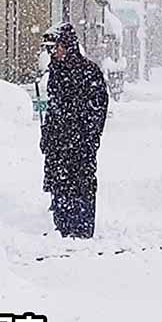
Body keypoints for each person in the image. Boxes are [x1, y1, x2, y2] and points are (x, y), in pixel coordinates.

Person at [39, 23, 109, 239]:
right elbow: (53, 108)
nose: (53, 52)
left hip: (80, 146)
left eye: (56, 46)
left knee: (81, 184)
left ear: (68, 46)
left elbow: (98, 110)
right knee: (59, 185)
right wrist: (47, 135)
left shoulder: (89, 73)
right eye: (50, 48)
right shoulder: (55, 74)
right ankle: (62, 228)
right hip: (58, 147)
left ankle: (81, 230)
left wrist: (88, 138)